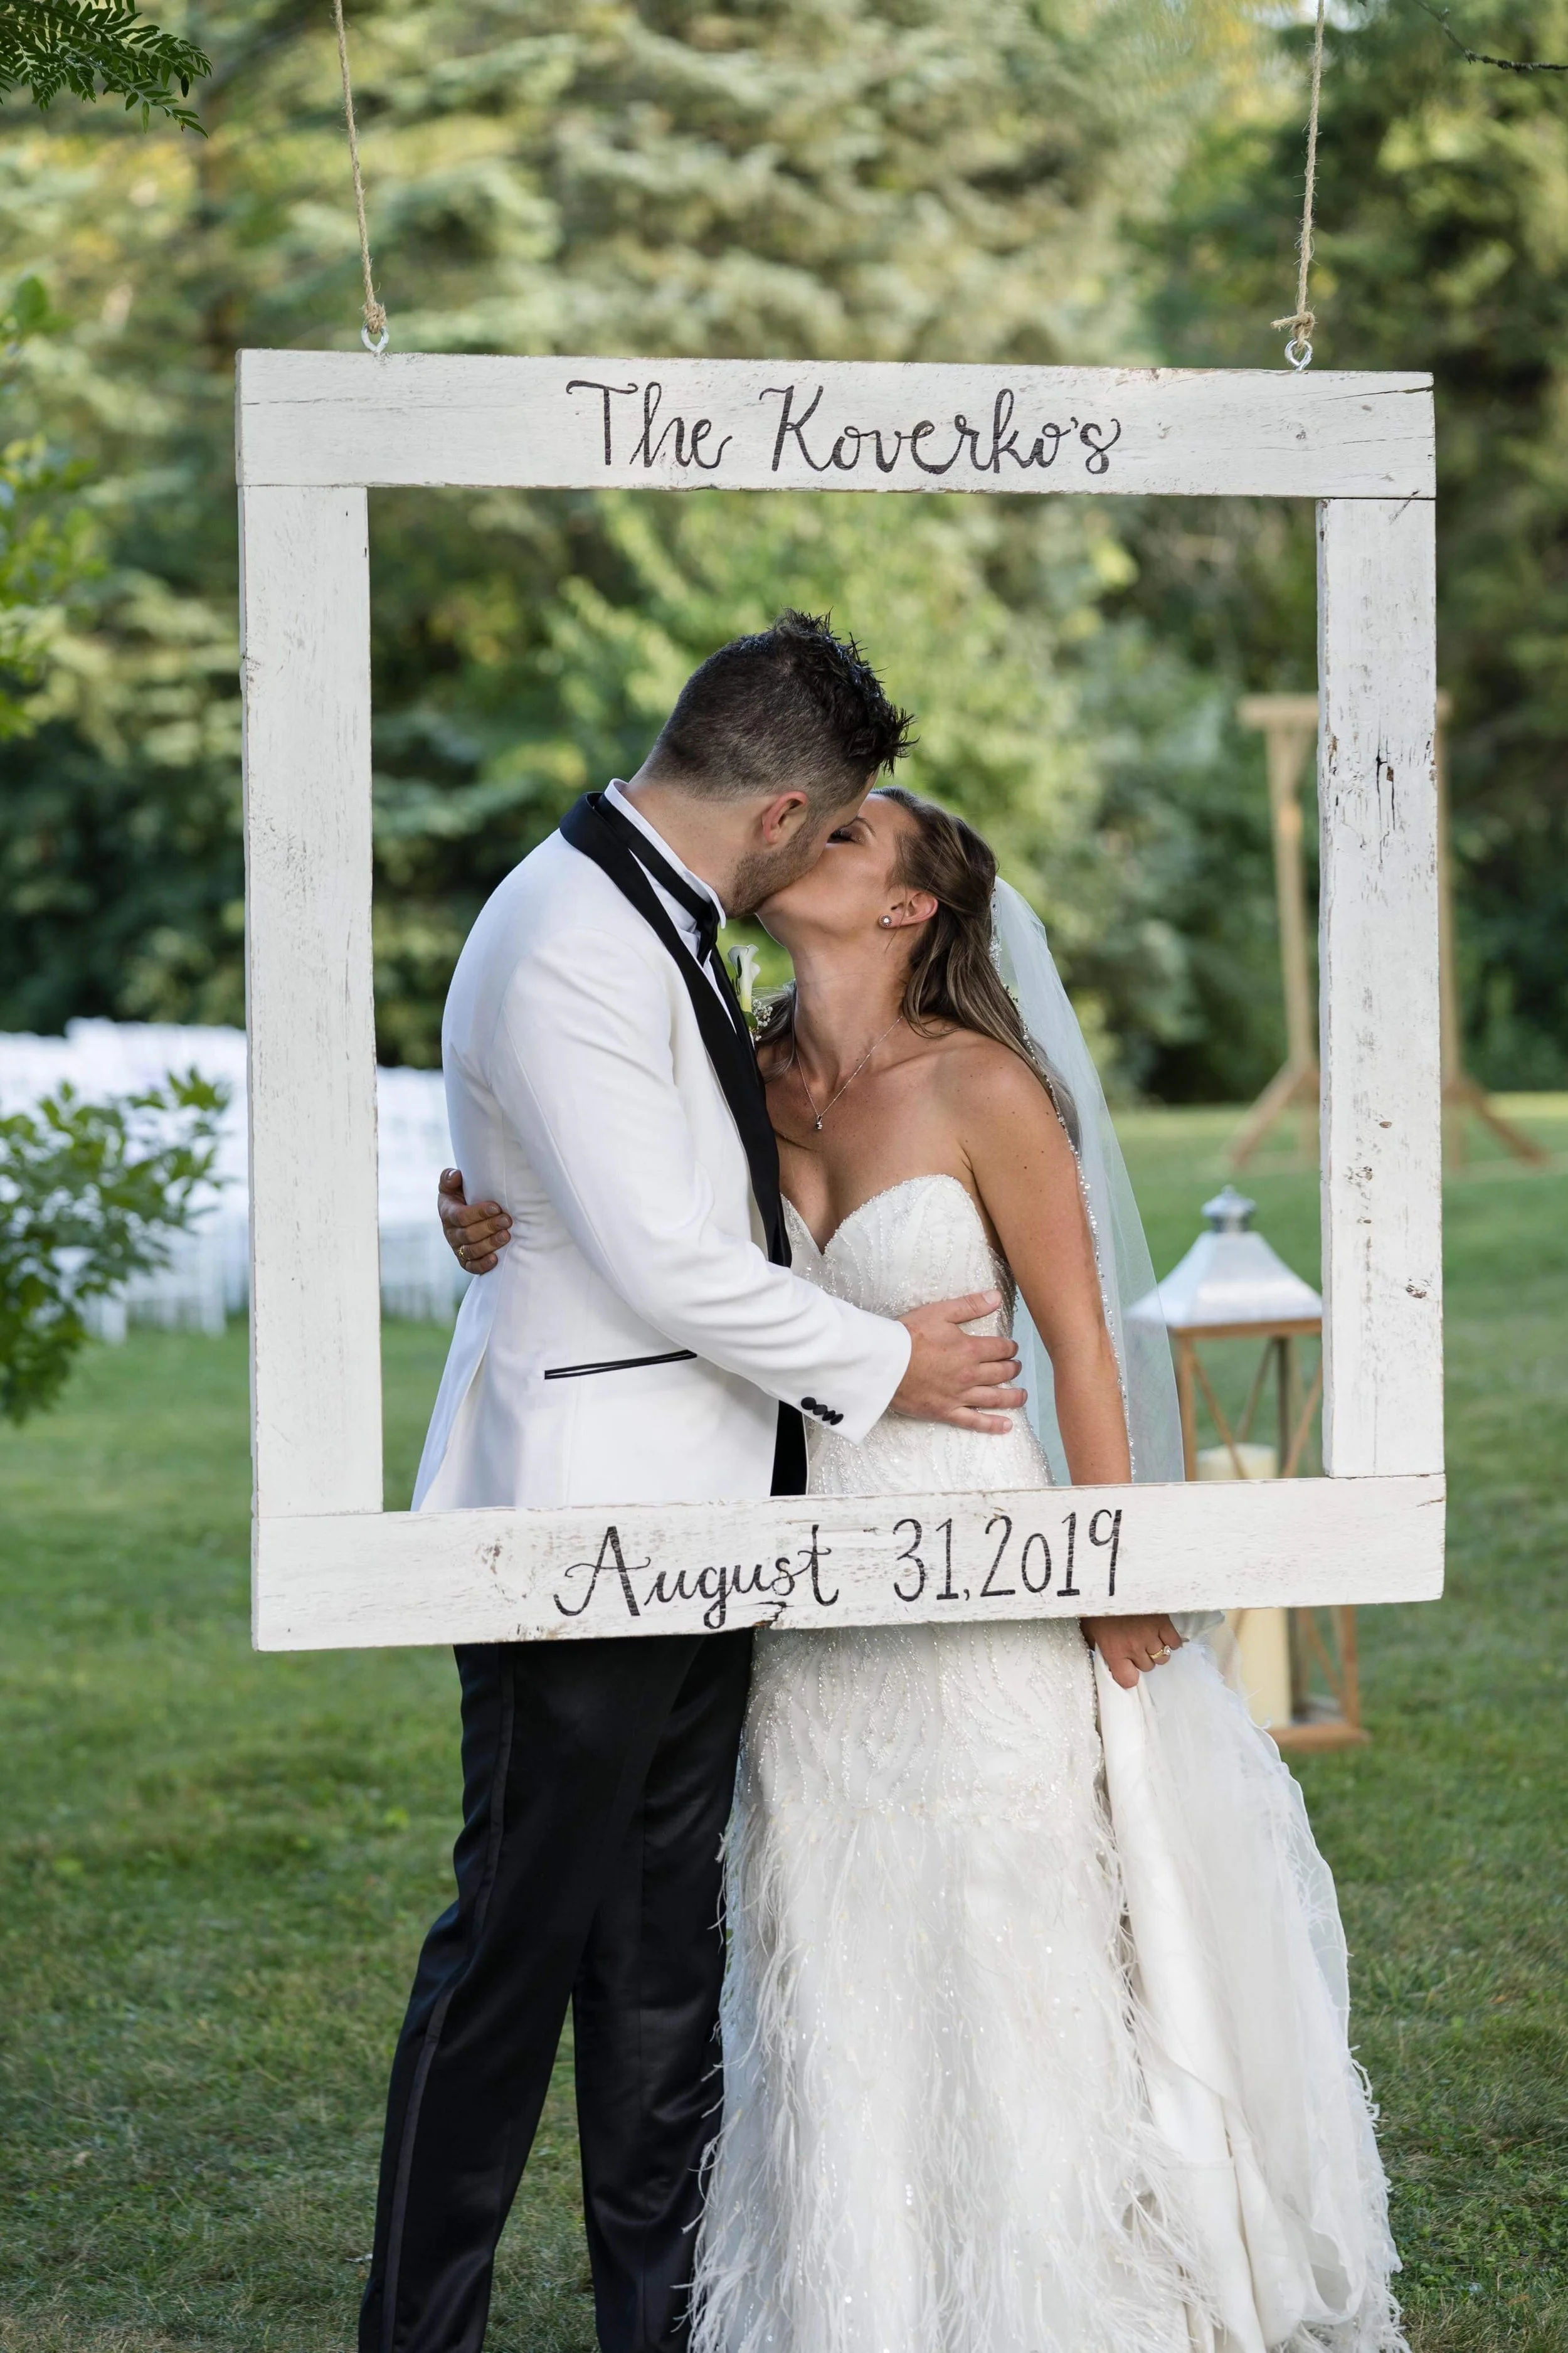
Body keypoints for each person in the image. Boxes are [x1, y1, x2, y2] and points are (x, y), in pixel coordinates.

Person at [443, 788, 1408, 2353]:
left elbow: (1084, 1346)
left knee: (997, 1936)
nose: (800, 838)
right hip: (802, 1602)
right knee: (831, 1960)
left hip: (988, 1576)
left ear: (907, 909)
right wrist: (486, 1218)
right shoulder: (731, 1081)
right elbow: (621, 1215)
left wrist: (1116, 1563)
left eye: (842, 836)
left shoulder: (983, 1090)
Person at [359, 614, 1029, 2353]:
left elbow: (652, 1191)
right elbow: (666, 1258)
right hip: (583, 1518)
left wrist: (495, 1211)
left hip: (718, 1516)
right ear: (784, 811)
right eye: (834, 825)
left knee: (662, 1959)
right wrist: (894, 1363)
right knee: (516, 1944)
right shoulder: (568, 933)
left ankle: (649, 2322)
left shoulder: (659, 913)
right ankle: (416, 2324)